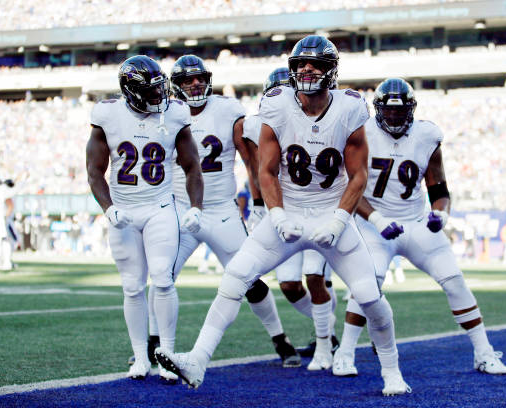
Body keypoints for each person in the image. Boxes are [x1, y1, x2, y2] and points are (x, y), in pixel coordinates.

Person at [156, 35, 409, 396]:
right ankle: (197, 359)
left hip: (330, 214)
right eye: (301, 63)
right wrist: (276, 215)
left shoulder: (351, 106)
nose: (307, 69)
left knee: (369, 294)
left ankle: (392, 372)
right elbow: (267, 169)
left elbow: (358, 175)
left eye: (316, 64)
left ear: (330, 71)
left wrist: (339, 220)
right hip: (288, 212)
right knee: (236, 276)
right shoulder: (276, 102)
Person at [332, 78, 506, 378]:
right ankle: (345, 353)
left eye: (400, 112)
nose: (395, 117)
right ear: (378, 111)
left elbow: (439, 190)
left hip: (415, 222)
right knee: (368, 281)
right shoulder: (362, 134)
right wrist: (376, 219)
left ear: (411, 111)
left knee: (454, 280)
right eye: (389, 112)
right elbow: (347, 188)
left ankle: (483, 352)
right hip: (374, 224)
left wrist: (442, 215)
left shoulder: (427, 135)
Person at [145, 54, 301, 370]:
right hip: (179, 209)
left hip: (221, 211)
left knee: (250, 277)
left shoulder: (228, 110)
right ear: (176, 85)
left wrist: (260, 204)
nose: (195, 83)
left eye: (200, 77)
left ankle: (280, 339)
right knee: (162, 277)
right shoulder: (165, 113)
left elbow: (251, 160)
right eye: (188, 80)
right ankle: (153, 344)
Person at [86, 55, 204, 382]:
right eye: (151, 91)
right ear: (132, 91)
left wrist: (195, 206)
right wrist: (109, 208)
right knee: (132, 287)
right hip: (123, 210)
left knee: (163, 278)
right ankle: (140, 357)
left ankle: (166, 353)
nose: (160, 96)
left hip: (160, 208)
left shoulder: (175, 114)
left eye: (159, 88)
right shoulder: (107, 115)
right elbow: (95, 172)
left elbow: (192, 165)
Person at [243, 67, 340, 363]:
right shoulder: (255, 126)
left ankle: (331, 340)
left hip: (317, 208)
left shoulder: (324, 120)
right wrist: (262, 207)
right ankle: (331, 329)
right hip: (280, 212)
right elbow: (257, 171)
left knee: (315, 278)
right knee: (288, 284)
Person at [0, 178, 18, 271]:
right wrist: (6, 218)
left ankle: (4, 261)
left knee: (3, 242)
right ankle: (5, 261)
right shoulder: (6, 194)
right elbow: (10, 206)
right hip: (5, 221)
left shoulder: (0, 192)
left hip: (1, 220)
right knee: (9, 241)